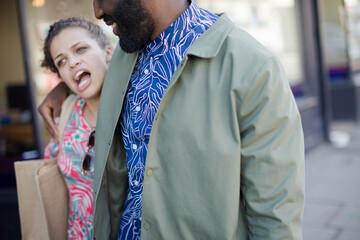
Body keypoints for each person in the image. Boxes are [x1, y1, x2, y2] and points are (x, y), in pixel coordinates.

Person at [38, 0, 305, 239]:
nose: (97, 11)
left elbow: (275, 212)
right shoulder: (123, 57)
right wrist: (63, 90)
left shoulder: (254, 67)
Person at [39, 17, 113, 239]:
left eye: (81, 49)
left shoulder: (136, 110)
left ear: (108, 53)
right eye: (61, 62)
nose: (71, 63)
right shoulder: (66, 115)